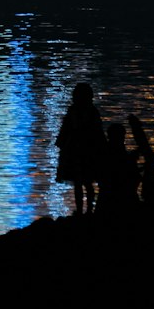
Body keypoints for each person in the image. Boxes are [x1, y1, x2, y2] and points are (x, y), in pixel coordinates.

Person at [55, 82, 105, 216]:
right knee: (85, 182)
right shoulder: (90, 111)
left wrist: (61, 142)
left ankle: (84, 210)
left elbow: (65, 128)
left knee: (81, 182)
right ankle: (87, 210)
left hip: (79, 149)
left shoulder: (76, 110)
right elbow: (98, 132)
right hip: (84, 149)